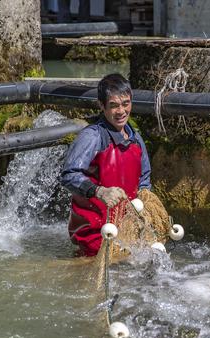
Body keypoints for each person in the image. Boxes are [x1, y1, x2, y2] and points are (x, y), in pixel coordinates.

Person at [60, 73, 152, 256]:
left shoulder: (135, 138)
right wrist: (99, 191)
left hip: (127, 229)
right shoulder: (92, 137)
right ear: (102, 106)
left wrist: (145, 201)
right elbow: (68, 175)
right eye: (114, 106)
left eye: (126, 104)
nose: (121, 111)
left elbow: (145, 179)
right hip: (94, 234)